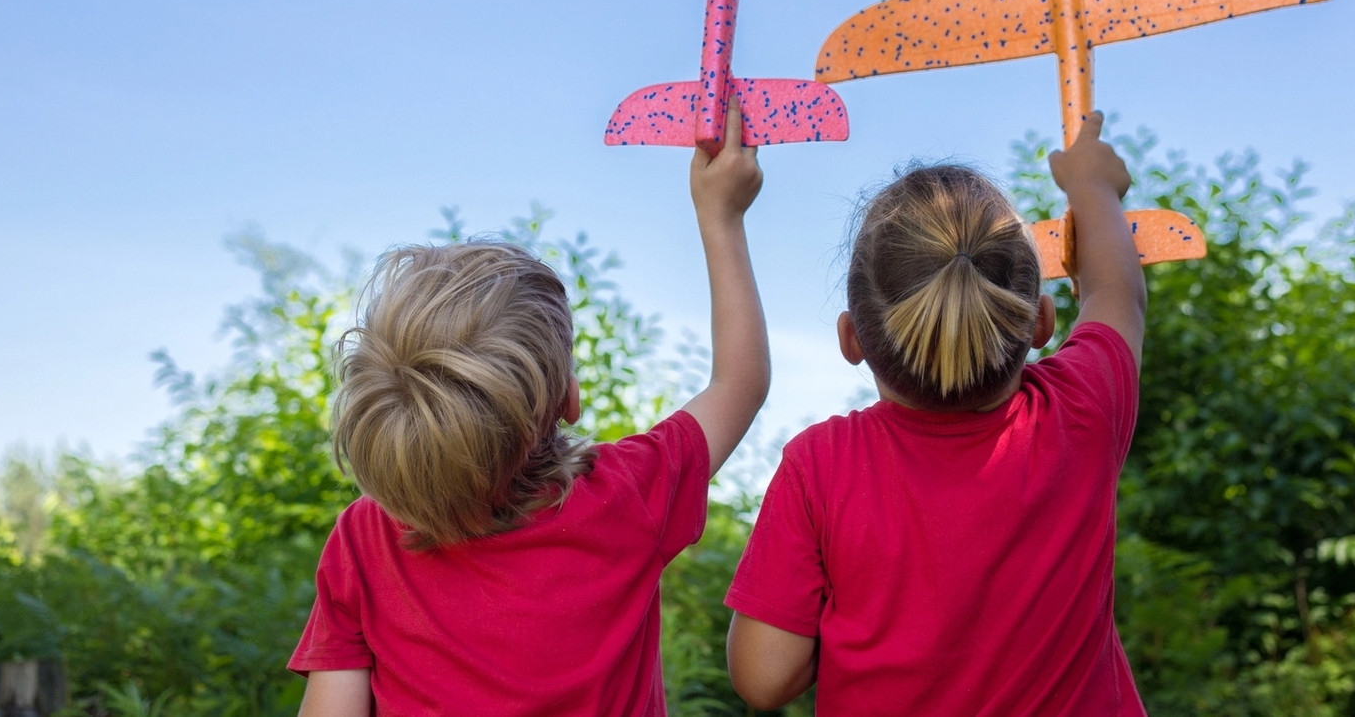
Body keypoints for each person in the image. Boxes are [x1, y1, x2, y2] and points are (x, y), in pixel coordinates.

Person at [289, 100, 770, 717]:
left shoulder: (364, 538)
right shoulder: (627, 496)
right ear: (565, 398)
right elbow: (741, 382)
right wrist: (721, 218)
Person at [725, 111, 1149, 715]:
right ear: (1041, 324)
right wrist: (1092, 186)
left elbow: (765, 677)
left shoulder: (821, 466)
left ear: (852, 340)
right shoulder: (1082, 409)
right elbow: (1116, 294)